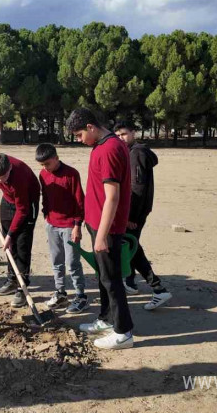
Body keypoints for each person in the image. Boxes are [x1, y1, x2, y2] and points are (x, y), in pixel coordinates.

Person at [68, 108, 134, 350]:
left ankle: (123, 332)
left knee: (112, 279)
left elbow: (113, 197)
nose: (78, 140)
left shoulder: (109, 149)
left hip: (108, 229)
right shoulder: (101, 145)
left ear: (90, 127)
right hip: (97, 224)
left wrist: (103, 235)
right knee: (103, 278)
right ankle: (107, 319)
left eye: (78, 135)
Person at [113, 121, 172, 310]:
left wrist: (130, 217)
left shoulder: (136, 153)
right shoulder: (133, 152)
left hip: (135, 213)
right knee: (131, 246)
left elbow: (136, 189)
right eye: (118, 135)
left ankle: (158, 289)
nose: (121, 138)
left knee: (132, 247)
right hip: (136, 211)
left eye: (124, 134)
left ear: (133, 133)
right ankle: (131, 282)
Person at [0, 153, 41, 309]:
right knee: (9, 245)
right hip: (7, 200)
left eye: (4, 177)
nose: (1, 180)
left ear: (10, 168)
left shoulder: (19, 176)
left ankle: (22, 286)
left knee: (22, 245)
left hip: (27, 203)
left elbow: (22, 210)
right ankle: (12, 280)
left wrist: (10, 235)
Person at [36, 143, 88, 313]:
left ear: (56, 158)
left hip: (69, 227)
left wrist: (77, 225)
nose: (45, 168)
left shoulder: (71, 174)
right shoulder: (43, 174)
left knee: (72, 262)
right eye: (42, 165)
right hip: (52, 225)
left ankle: (80, 296)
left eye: (48, 164)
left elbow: (80, 201)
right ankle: (61, 294)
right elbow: (45, 197)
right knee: (56, 261)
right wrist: (46, 215)